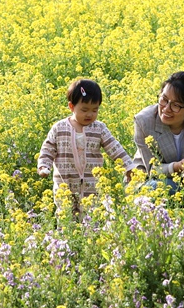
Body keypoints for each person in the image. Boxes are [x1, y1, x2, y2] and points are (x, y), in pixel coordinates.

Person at [38, 78, 139, 212]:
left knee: (91, 216)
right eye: (84, 110)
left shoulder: (99, 128)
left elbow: (114, 148)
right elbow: (48, 148)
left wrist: (128, 166)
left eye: (94, 110)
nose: (90, 114)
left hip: (92, 184)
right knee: (65, 216)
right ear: (71, 107)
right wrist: (44, 165)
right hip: (65, 184)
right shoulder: (59, 128)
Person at [133, 69, 184, 193]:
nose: (166, 109)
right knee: (167, 187)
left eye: (176, 105)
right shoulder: (144, 121)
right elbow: (152, 169)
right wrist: (176, 167)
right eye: (164, 100)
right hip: (150, 179)